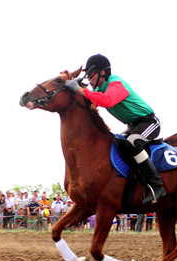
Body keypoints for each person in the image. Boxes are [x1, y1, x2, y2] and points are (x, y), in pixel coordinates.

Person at [65, 54, 166, 205]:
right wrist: (77, 89)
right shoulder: (100, 88)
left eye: (91, 75)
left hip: (149, 122)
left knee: (132, 143)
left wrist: (80, 90)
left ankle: (157, 185)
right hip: (133, 126)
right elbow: (91, 102)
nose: (89, 79)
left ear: (102, 72)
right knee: (116, 143)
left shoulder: (116, 83)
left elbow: (106, 100)